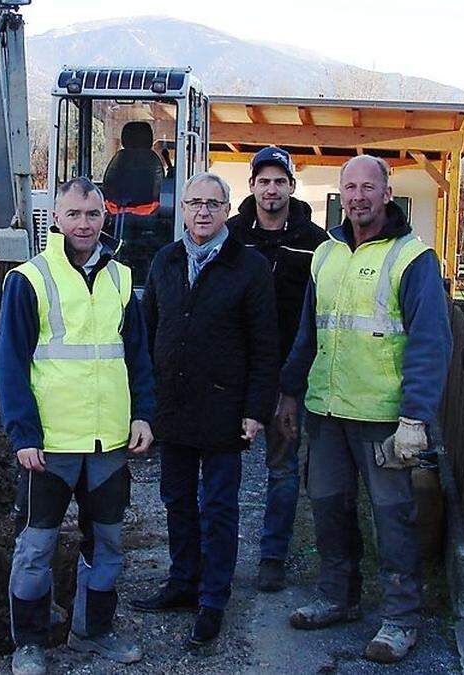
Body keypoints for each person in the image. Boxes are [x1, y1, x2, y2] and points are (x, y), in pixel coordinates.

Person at [275, 155, 452, 664]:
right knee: (329, 507)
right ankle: (338, 597)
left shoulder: (412, 258)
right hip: (327, 413)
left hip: (383, 419)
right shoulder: (326, 254)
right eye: (349, 187)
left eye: (367, 187)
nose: (357, 196)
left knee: (393, 517)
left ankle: (400, 618)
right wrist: (290, 392)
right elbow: (309, 333)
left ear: (386, 192)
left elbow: (430, 342)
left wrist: (415, 417)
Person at [0, 176, 156, 675]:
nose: (83, 224)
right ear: (57, 220)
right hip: (50, 445)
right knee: (36, 547)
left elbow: (137, 356)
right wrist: (22, 434)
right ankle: (30, 643)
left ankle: (93, 632)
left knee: (106, 543)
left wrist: (143, 413)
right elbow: (9, 363)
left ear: (104, 217)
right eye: (74, 215)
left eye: (92, 215)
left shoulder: (121, 279)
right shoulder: (30, 279)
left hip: (108, 440)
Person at [130, 172, 280, 647]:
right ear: (183, 208)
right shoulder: (165, 261)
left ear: (226, 210)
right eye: (194, 203)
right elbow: (148, 335)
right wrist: (145, 407)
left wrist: (256, 409)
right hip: (172, 409)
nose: (202, 212)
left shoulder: (249, 267)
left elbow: (264, 345)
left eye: (213, 204)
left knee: (217, 507)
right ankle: (182, 582)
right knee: (176, 501)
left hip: (223, 410)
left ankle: (213, 598)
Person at [226, 146, 328, 593]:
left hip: (290, 379)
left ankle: (273, 557)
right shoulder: (229, 238)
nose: (271, 188)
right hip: (235, 377)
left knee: (283, 471)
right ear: (252, 186)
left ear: (291, 186)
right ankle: (218, 559)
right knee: (222, 467)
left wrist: (296, 379)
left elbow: (322, 315)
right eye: (263, 180)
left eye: (279, 181)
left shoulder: (316, 243)